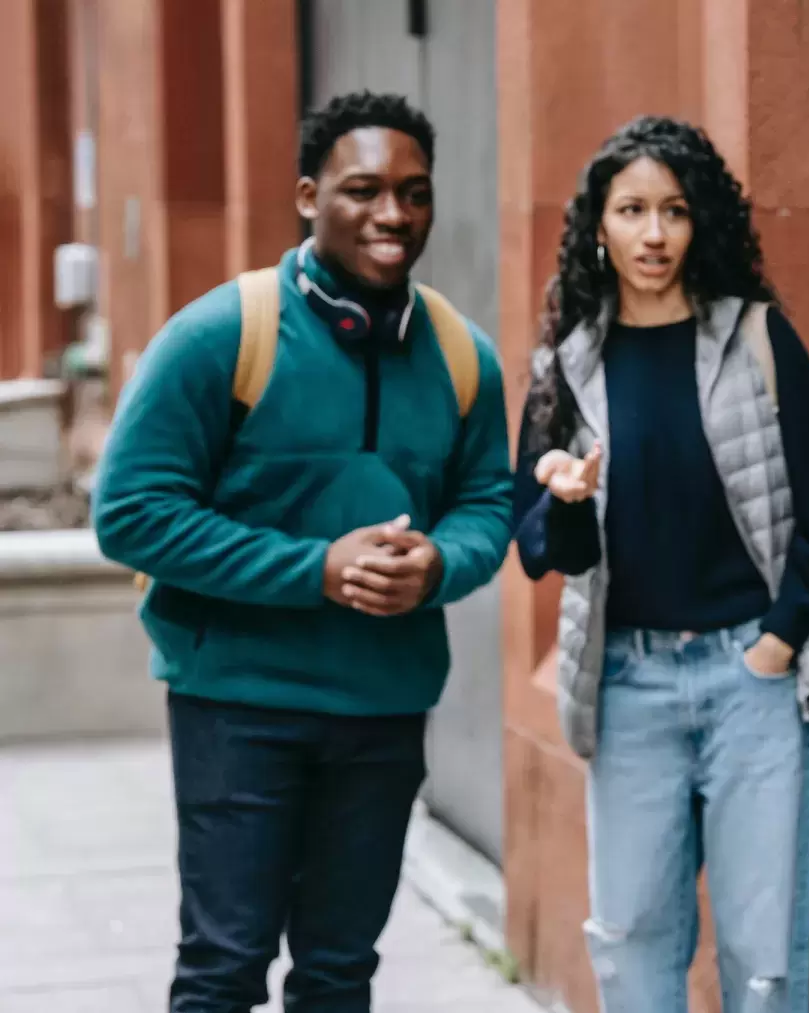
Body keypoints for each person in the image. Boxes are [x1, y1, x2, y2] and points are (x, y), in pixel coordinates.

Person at [93, 91, 513, 1012]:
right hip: (239, 708)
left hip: (383, 709)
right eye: (363, 190)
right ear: (306, 195)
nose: (393, 214)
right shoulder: (219, 336)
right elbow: (129, 512)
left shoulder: (461, 354)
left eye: (413, 191)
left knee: (338, 972)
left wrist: (440, 562)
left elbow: (490, 503)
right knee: (223, 966)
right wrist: (316, 568)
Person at [513, 115, 809, 1013]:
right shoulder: (568, 364)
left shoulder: (756, 339)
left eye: (673, 209)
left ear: (700, 219)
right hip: (627, 686)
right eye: (631, 210)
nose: (655, 234)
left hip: (752, 684)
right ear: (599, 223)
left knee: (761, 961)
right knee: (631, 946)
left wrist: (774, 647)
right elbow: (542, 550)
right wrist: (565, 496)